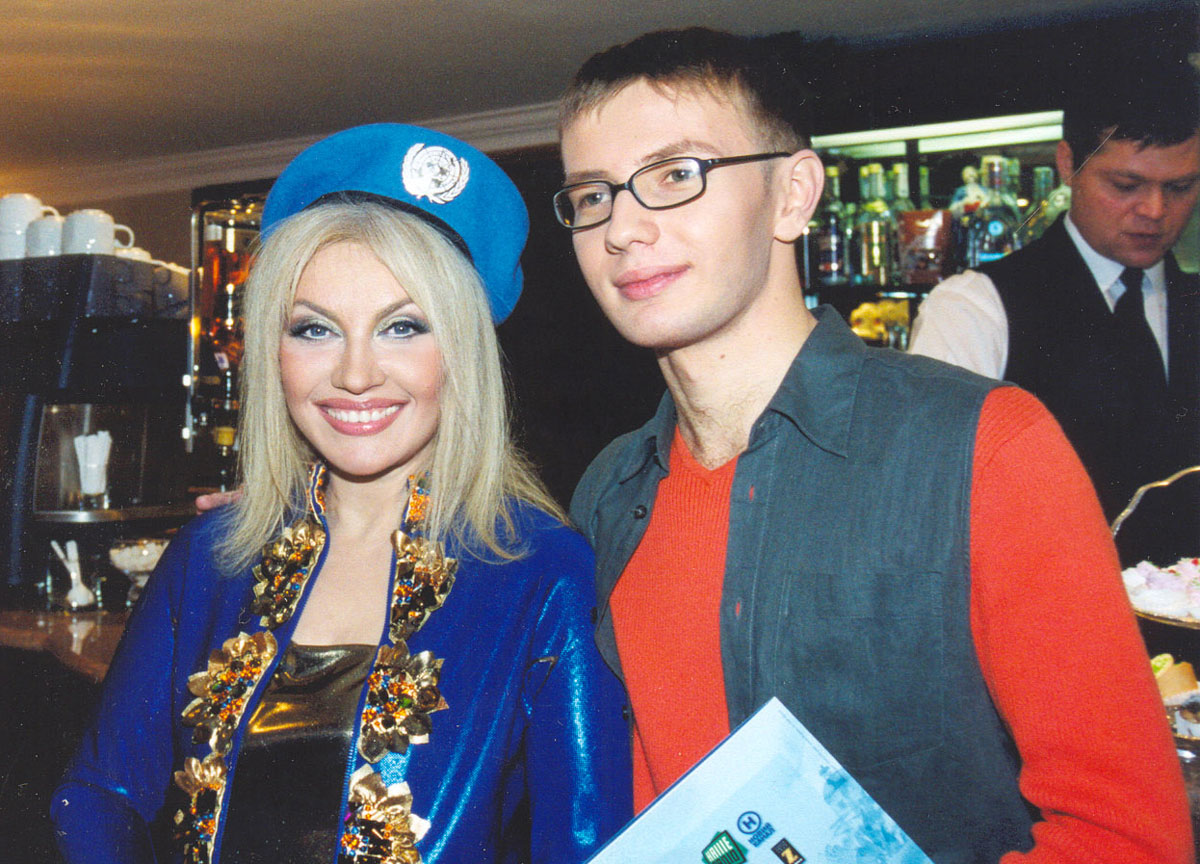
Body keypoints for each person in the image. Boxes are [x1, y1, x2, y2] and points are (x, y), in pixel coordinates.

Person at [555, 27, 1192, 863]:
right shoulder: (609, 491)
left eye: (676, 175)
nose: (623, 228)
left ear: (793, 194)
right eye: (591, 196)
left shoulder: (987, 448)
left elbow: (1127, 838)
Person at [51, 123, 630, 864]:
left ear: (463, 351)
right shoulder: (212, 555)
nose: (355, 375)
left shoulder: (543, 573)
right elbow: (98, 794)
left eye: (403, 327)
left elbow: (588, 846)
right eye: (315, 330)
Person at [909, 67, 1200, 568]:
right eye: (1126, 185)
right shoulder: (975, 308)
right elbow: (932, 506)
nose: (1154, 210)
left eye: (1180, 187)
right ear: (1068, 164)